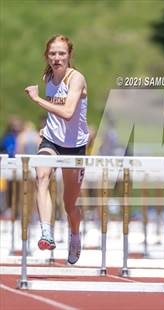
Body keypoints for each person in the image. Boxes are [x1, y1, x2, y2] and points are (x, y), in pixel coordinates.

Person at [24, 35, 89, 264]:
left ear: (69, 55)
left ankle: (74, 235)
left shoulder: (76, 78)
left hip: (75, 146)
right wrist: (47, 127)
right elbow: (57, 113)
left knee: (70, 203)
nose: (57, 58)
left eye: (61, 53)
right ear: (47, 56)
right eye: (53, 53)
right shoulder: (48, 76)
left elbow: (69, 112)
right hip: (51, 141)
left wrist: (37, 99)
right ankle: (46, 233)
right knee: (41, 175)